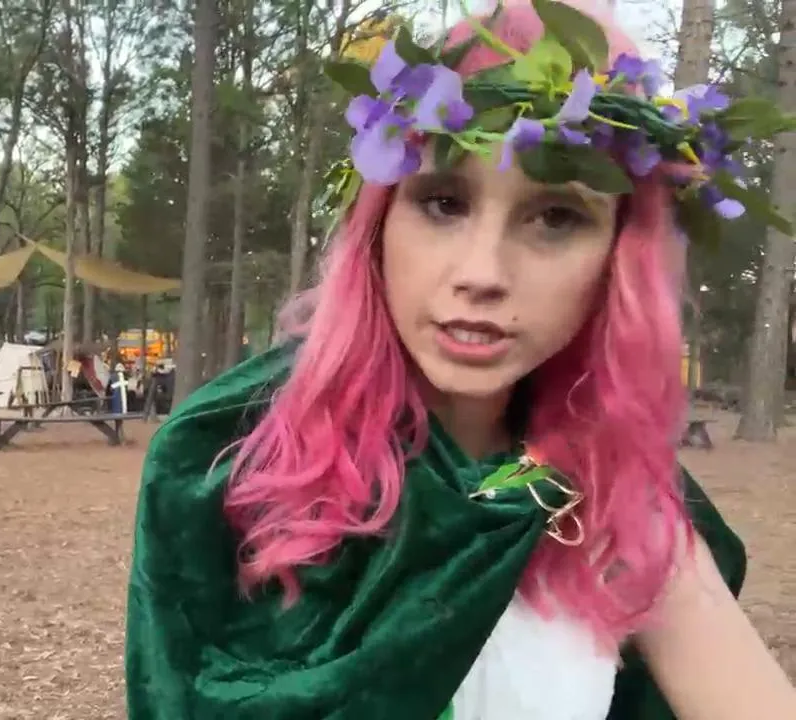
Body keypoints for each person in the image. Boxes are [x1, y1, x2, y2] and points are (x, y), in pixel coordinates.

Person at [124, 1, 796, 718]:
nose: (482, 273)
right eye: (443, 202)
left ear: (616, 260)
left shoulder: (616, 496)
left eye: (556, 217)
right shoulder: (227, 460)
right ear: (380, 223)